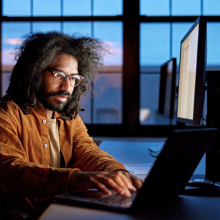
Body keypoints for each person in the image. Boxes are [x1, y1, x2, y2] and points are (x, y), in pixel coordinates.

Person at [0, 32, 143, 219]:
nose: (67, 87)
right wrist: (74, 178)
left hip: (58, 208)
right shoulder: (6, 114)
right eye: (59, 75)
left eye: (74, 78)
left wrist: (118, 172)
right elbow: (10, 170)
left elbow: (88, 152)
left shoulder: (69, 117)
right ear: (33, 71)